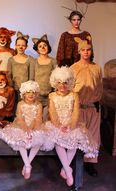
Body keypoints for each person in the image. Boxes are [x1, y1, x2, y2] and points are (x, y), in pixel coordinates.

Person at [46, 66, 98, 187]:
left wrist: (71, 125)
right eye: (59, 83)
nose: (63, 86)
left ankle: (64, 169)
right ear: (55, 83)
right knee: (58, 141)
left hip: (71, 124)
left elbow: (76, 112)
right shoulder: (52, 96)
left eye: (65, 83)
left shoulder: (74, 95)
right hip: (56, 124)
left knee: (74, 142)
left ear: (69, 82)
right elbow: (52, 113)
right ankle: (68, 170)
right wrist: (59, 126)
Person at [0, 80, 54, 180]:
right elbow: (20, 119)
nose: (31, 95)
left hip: (36, 126)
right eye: (28, 92)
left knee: (38, 141)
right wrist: (26, 129)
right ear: (24, 94)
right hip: (21, 127)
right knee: (20, 140)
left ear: (36, 94)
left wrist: (32, 130)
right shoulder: (20, 104)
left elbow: (38, 119)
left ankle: (28, 163)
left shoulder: (38, 105)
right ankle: (27, 165)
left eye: (33, 93)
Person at [70, 36, 103, 177]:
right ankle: (76, 162)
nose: (86, 52)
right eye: (83, 50)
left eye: (88, 50)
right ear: (79, 51)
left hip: (93, 108)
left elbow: (100, 87)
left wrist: (97, 102)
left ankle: (90, 163)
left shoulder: (97, 67)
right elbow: (70, 89)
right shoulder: (73, 68)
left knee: (93, 137)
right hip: (79, 108)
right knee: (78, 136)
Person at [32, 34, 56, 120]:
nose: (43, 48)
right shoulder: (34, 62)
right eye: (40, 46)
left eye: (45, 45)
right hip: (37, 95)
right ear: (37, 49)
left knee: (47, 117)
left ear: (48, 47)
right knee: (37, 118)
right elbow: (31, 78)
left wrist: (54, 92)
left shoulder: (53, 61)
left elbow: (56, 78)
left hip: (50, 94)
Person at [7, 31, 35, 103]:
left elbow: (31, 77)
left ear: (26, 47)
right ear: (15, 46)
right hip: (14, 90)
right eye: (18, 45)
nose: (20, 47)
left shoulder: (30, 59)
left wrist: (27, 90)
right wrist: (12, 87)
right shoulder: (11, 60)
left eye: (23, 45)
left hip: (26, 91)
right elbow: (9, 75)